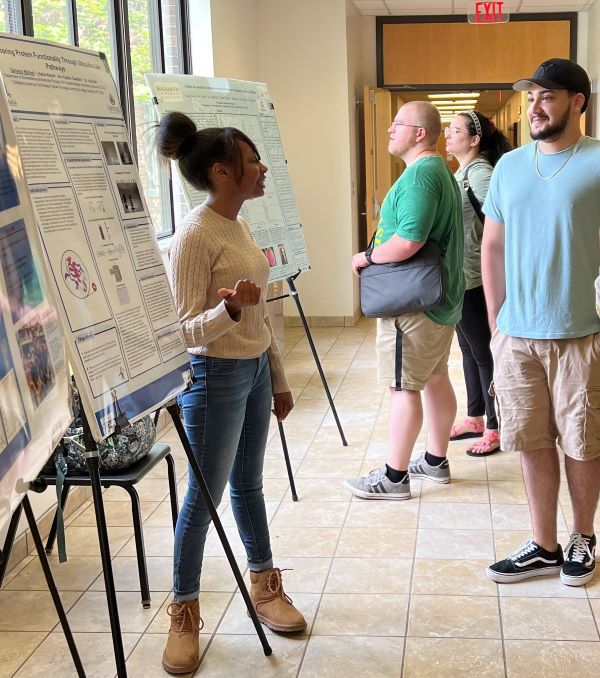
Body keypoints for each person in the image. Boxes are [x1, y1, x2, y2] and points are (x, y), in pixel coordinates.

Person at [155, 113, 305, 675]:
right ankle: (184, 612)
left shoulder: (238, 224)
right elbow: (184, 332)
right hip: (214, 378)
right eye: (252, 161)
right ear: (222, 172)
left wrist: (279, 377)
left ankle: (265, 585)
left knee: (248, 484)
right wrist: (231, 309)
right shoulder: (194, 235)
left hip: (254, 372)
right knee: (203, 499)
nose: (263, 168)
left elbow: (260, 312)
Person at [482, 58, 600, 586]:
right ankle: (545, 543)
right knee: (531, 440)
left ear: (578, 102)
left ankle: (582, 537)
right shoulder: (508, 167)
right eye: (531, 96)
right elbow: (492, 245)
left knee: (582, 441)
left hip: (582, 333)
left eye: (547, 96)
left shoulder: (597, 162)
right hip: (517, 333)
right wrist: (495, 324)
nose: (535, 106)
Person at [345, 101, 464, 500]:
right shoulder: (438, 172)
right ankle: (434, 460)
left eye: (397, 125)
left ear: (419, 133)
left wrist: (367, 257)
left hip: (413, 304)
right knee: (434, 377)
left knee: (403, 387)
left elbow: (409, 240)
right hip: (438, 298)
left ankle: (394, 478)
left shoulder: (420, 177)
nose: (389, 131)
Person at [444, 111, 511, 456]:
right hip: (463, 276)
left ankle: (495, 425)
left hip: (477, 278)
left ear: (474, 140)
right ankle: (475, 416)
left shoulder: (481, 174)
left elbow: (502, 224)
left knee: (484, 353)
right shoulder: (463, 172)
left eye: (455, 130)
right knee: (469, 350)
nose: (448, 134)